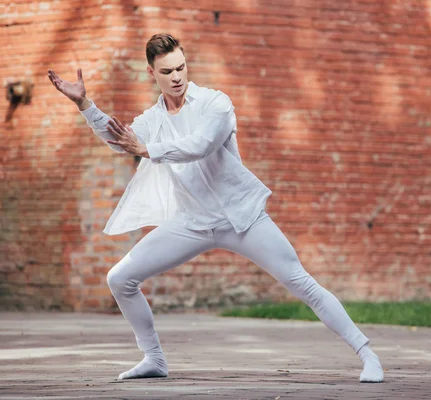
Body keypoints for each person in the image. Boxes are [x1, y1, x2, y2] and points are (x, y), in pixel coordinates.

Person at [47, 33, 384, 383]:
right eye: (167, 71)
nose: (176, 76)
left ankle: (367, 354)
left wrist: (148, 150)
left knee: (301, 282)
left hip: (242, 219)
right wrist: (85, 105)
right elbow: (122, 139)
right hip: (191, 222)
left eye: (181, 67)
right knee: (120, 278)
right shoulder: (153, 118)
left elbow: (201, 145)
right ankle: (154, 358)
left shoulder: (215, 103)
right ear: (152, 73)